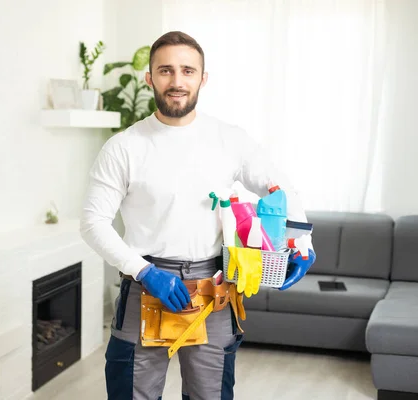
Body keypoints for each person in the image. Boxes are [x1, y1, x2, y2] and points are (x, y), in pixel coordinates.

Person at [80, 31, 316, 400]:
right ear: (150, 78)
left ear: (202, 78)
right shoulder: (123, 147)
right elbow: (93, 222)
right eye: (166, 71)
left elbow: (278, 186)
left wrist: (301, 241)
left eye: (187, 71)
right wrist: (143, 271)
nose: (177, 81)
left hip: (214, 289)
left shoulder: (230, 139)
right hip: (146, 286)